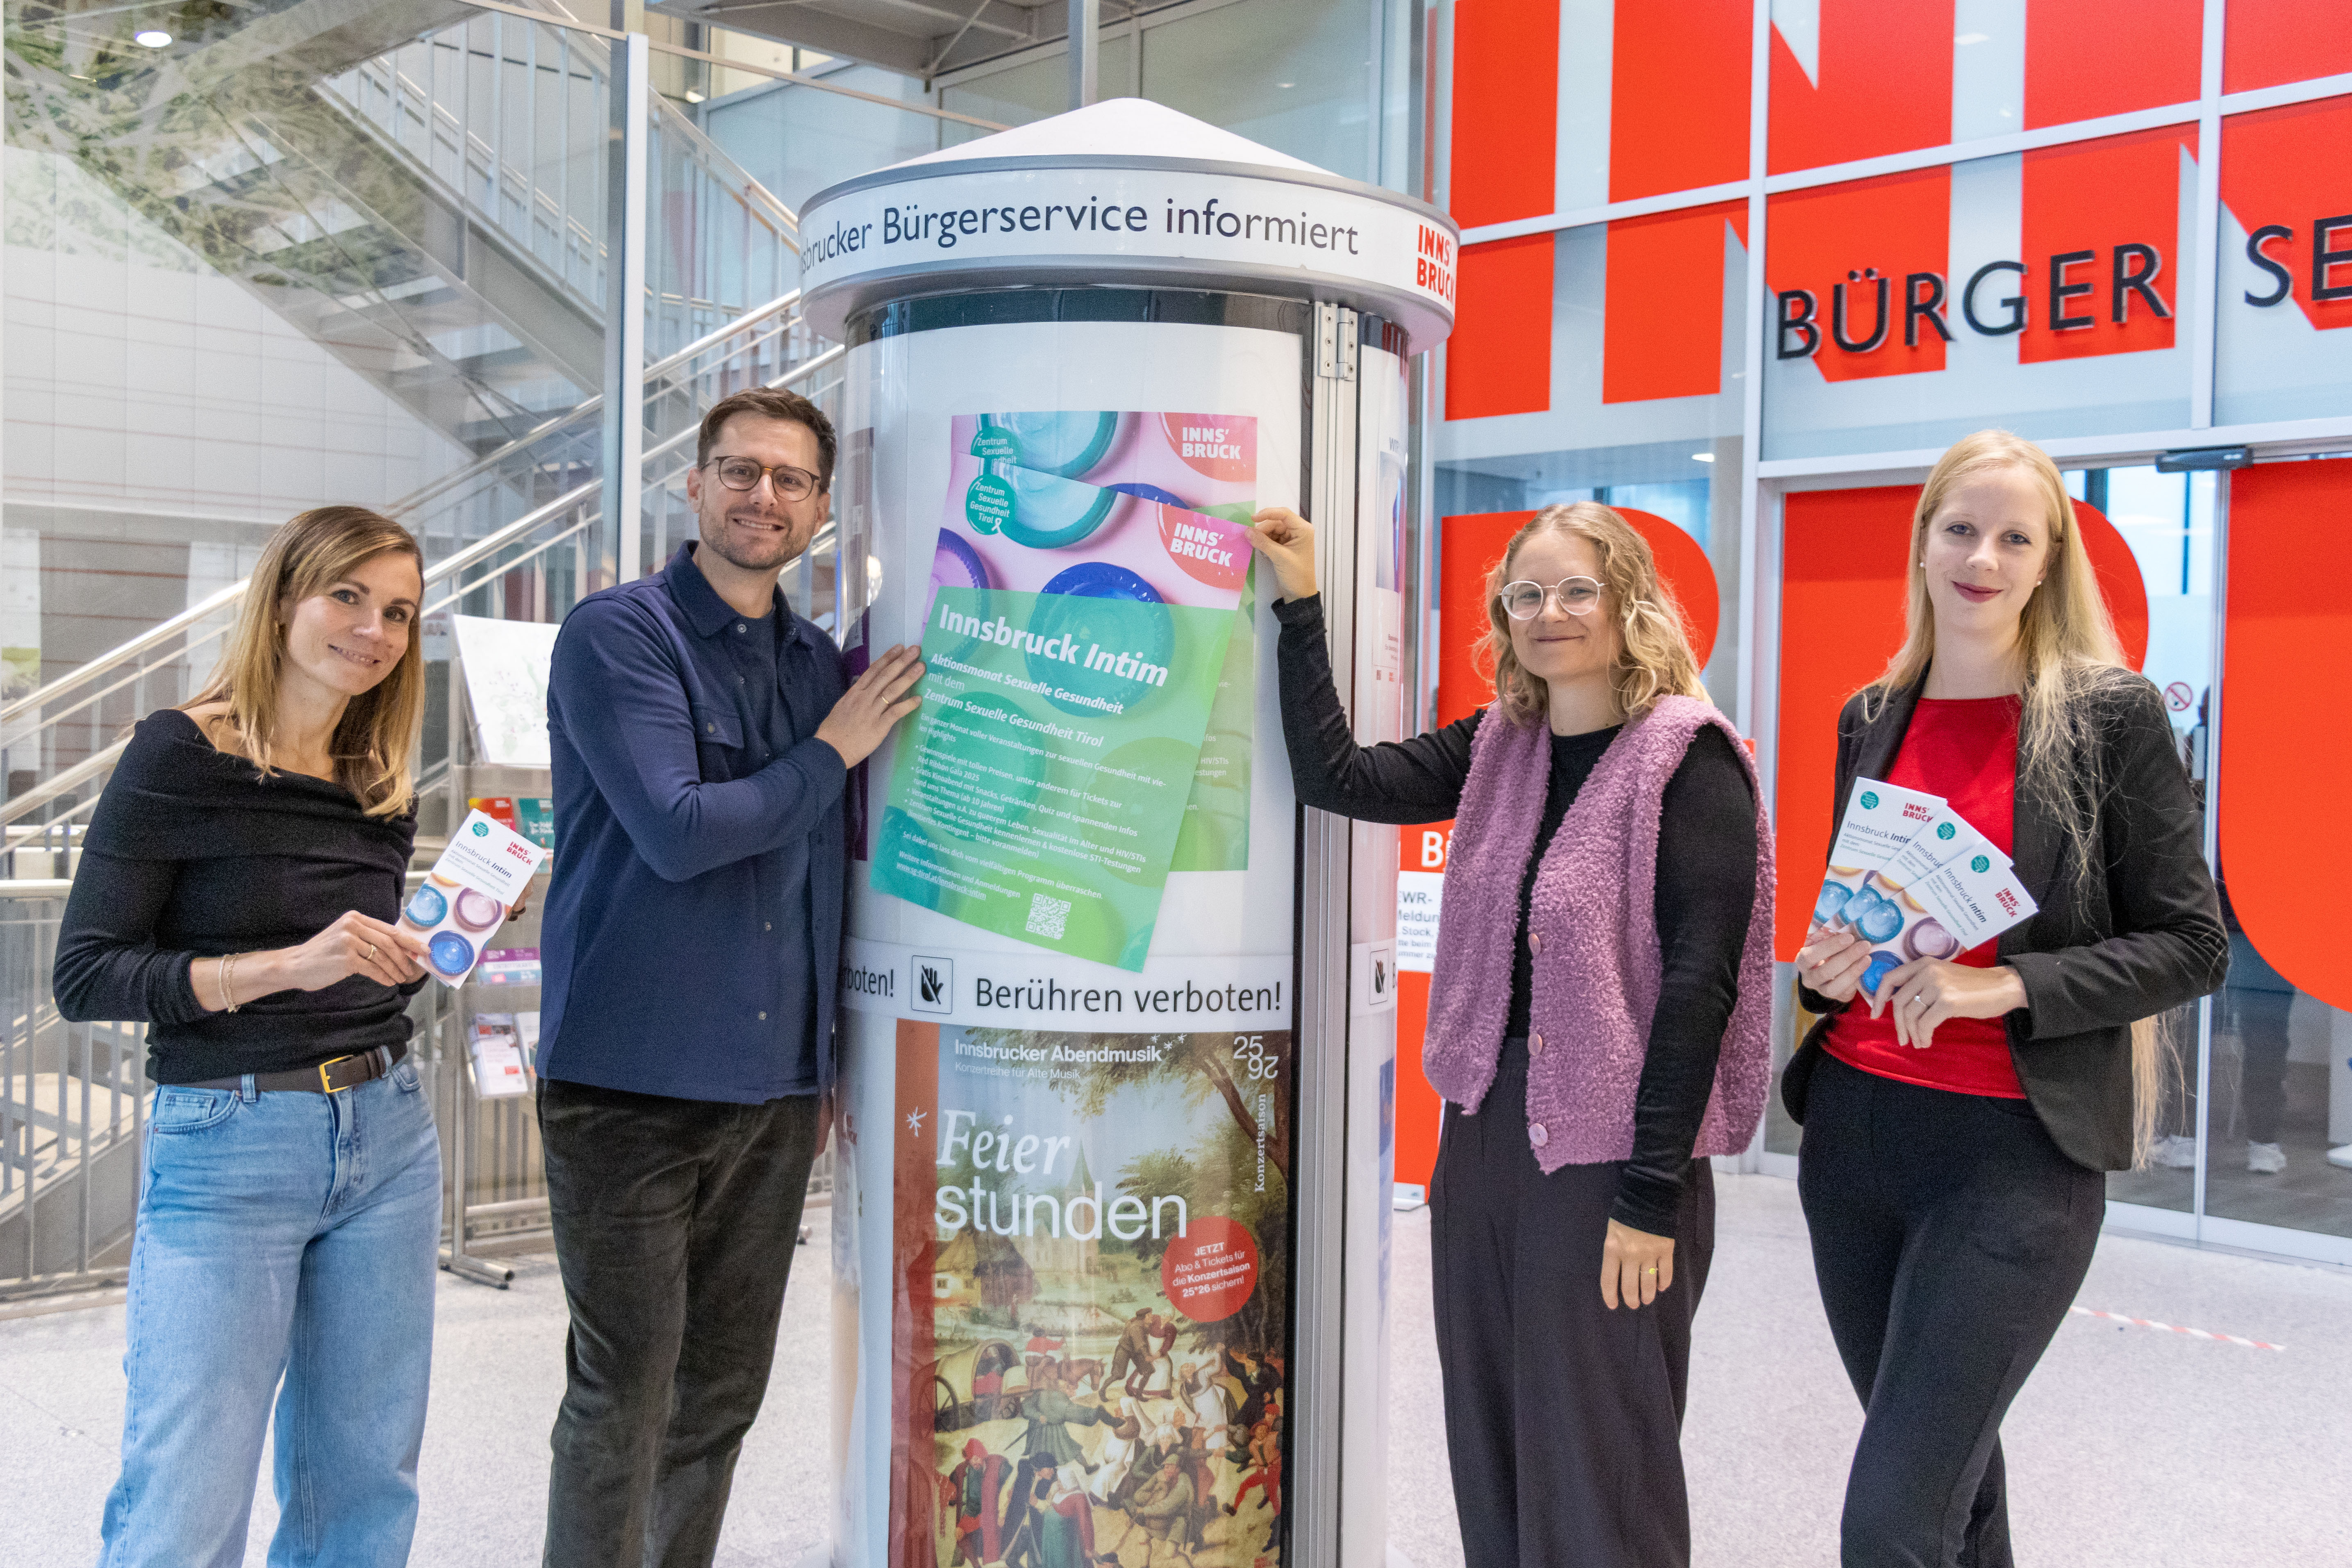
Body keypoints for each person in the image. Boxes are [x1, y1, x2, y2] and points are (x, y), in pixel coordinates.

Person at [1246, 500, 1774, 1568]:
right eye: (1525, 594)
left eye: (1575, 589)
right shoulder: (1499, 746)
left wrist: (1648, 1196)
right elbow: (1337, 778)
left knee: (1599, 1471)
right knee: (1490, 1446)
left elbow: (1698, 985)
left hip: (1611, 1158)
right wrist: (1300, 604)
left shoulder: (1688, 757)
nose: (1547, 613)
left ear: (1630, 607)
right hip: (1484, 1141)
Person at [1788, 429, 2227, 1566]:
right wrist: (1821, 971)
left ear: (2047, 562)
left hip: (2012, 1160)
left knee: (1888, 1521)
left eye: (2012, 536)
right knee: (1953, 1484)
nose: (1981, 555)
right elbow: (1864, 911)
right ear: (1923, 541)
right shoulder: (1867, 715)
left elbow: (2190, 942)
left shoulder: (2108, 717)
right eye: (1960, 528)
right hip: (1851, 1140)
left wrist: (2005, 984)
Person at [533, 385, 925, 1567]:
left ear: (818, 506)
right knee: (623, 1399)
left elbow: (822, 883)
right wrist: (831, 751)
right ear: (694, 484)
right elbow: (680, 827)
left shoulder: (817, 662)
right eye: (741, 471)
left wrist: (827, 1070)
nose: (766, 496)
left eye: (793, 479)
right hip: (628, 1088)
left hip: (769, 1098)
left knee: (716, 1399)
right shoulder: (619, 634)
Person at [53, 507, 439, 1566]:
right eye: (348, 597)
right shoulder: (179, 752)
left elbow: (354, 954)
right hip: (230, 1138)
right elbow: (86, 976)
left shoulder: (379, 779)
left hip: (391, 1133)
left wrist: (405, 953)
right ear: (282, 601)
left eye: (399, 611)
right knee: (186, 1499)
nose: (374, 630)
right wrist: (287, 965)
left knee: (362, 1483)